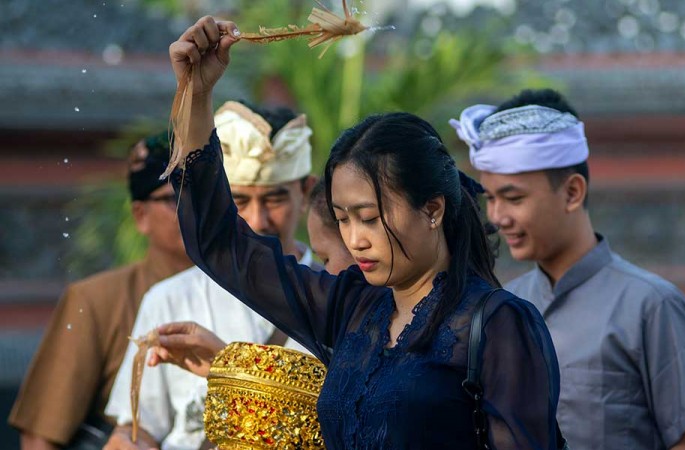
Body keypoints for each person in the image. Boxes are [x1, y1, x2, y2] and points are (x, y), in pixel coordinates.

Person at [152, 16, 563, 449]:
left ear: (433, 209)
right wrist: (196, 95)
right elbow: (220, 244)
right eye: (343, 218)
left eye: (369, 217)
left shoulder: (498, 325)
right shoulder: (352, 309)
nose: (355, 239)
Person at [451, 89, 685, 450]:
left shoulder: (652, 306)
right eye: (492, 200)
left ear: (573, 193)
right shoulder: (502, 306)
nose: (497, 217)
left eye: (513, 198)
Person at [103, 101, 320, 450]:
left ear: (306, 192)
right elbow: (139, 430)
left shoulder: (341, 301)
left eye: (275, 199)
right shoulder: (169, 299)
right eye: (240, 201)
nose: (259, 220)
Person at [8, 131, 193, 449]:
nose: (193, 209)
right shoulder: (96, 300)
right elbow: (41, 434)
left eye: (202, 194)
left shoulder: (252, 292)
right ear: (140, 216)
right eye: (173, 199)